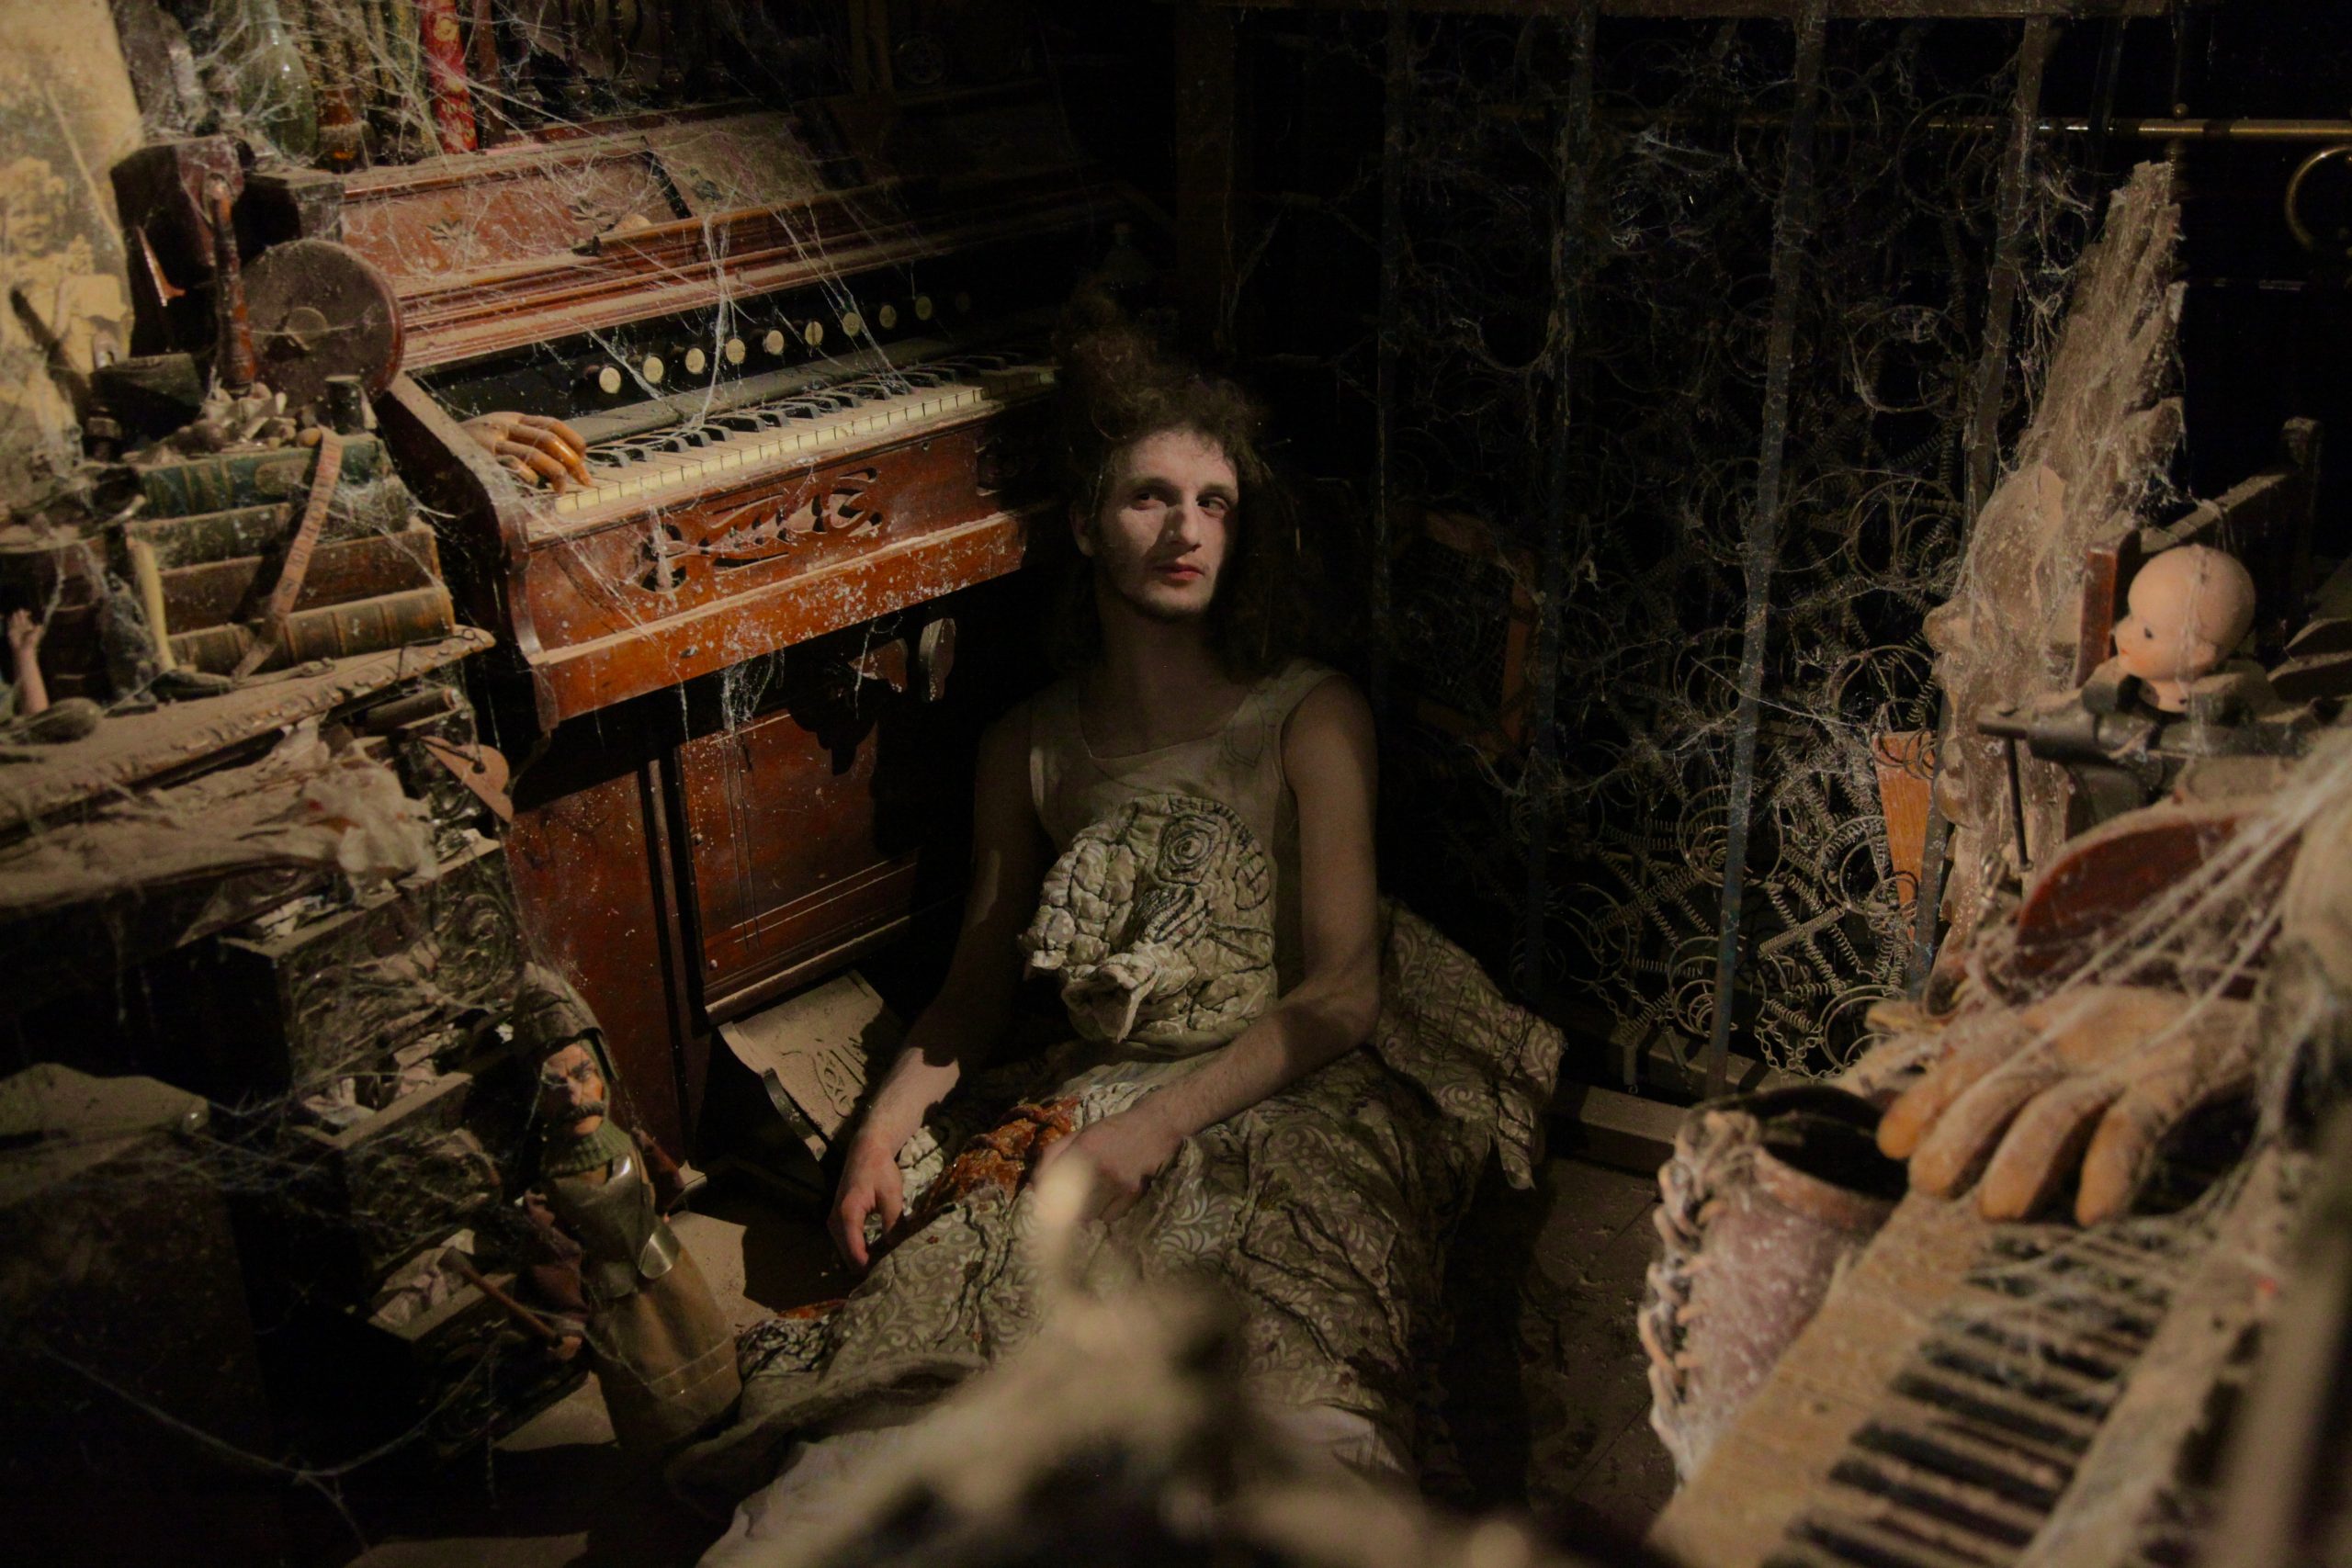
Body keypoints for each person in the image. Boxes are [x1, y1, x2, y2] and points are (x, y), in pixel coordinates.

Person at [674, 303, 1560, 1538]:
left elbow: (1346, 991)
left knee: (1287, 1380)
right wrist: (880, 1130)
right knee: (936, 1355)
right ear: (1090, 524)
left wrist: (1153, 1129)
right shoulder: (1025, 746)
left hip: (1286, 1078)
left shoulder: (1309, 717)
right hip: (1086, 1088)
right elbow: (978, 987)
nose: (1189, 529)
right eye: (1153, 499)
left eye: (1215, 504)